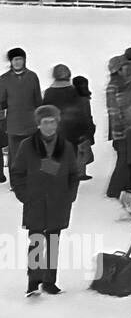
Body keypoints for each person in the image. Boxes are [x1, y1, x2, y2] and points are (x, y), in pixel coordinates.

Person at [12, 103, 81, 297]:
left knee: (53, 242)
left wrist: (69, 196)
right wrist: (24, 195)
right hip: (35, 201)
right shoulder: (27, 146)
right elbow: (17, 173)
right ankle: (34, 280)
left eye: (52, 122)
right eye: (45, 122)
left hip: (59, 202)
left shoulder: (65, 147)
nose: (49, 126)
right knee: (36, 242)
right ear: (38, 124)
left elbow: (74, 174)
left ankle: (50, 281)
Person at [0, 47, 43, 172]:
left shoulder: (32, 76)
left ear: (24, 60)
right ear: (11, 62)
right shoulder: (4, 79)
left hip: (31, 123)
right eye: (14, 60)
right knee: (14, 155)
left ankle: (31, 178)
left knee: (32, 153)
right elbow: (1, 102)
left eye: (19, 59)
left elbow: (38, 100)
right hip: (13, 124)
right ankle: (15, 182)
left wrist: (40, 120)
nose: (17, 62)